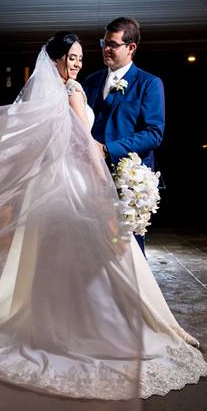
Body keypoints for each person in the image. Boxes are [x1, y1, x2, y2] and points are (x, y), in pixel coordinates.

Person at [0, 33, 207, 400]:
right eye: (74, 55)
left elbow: (147, 132)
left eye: (84, 55)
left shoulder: (72, 88)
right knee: (102, 259)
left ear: (131, 47)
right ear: (57, 59)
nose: (81, 61)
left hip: (60, 184)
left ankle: (54, 323)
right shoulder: (77, 90)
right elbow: (86, 146)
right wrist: (105, 192)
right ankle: (100, 329)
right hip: (81, 182)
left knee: (75, 257)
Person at [82, 17, 165, 255]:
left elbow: (153, 134)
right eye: (104, 42)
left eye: (113, 44)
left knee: (127, 249)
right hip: (91, 176)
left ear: (131, 48)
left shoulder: (149, 84)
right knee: (93, 245)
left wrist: (107, 149)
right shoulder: (91, 81)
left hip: (128, 180)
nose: (106, 49)